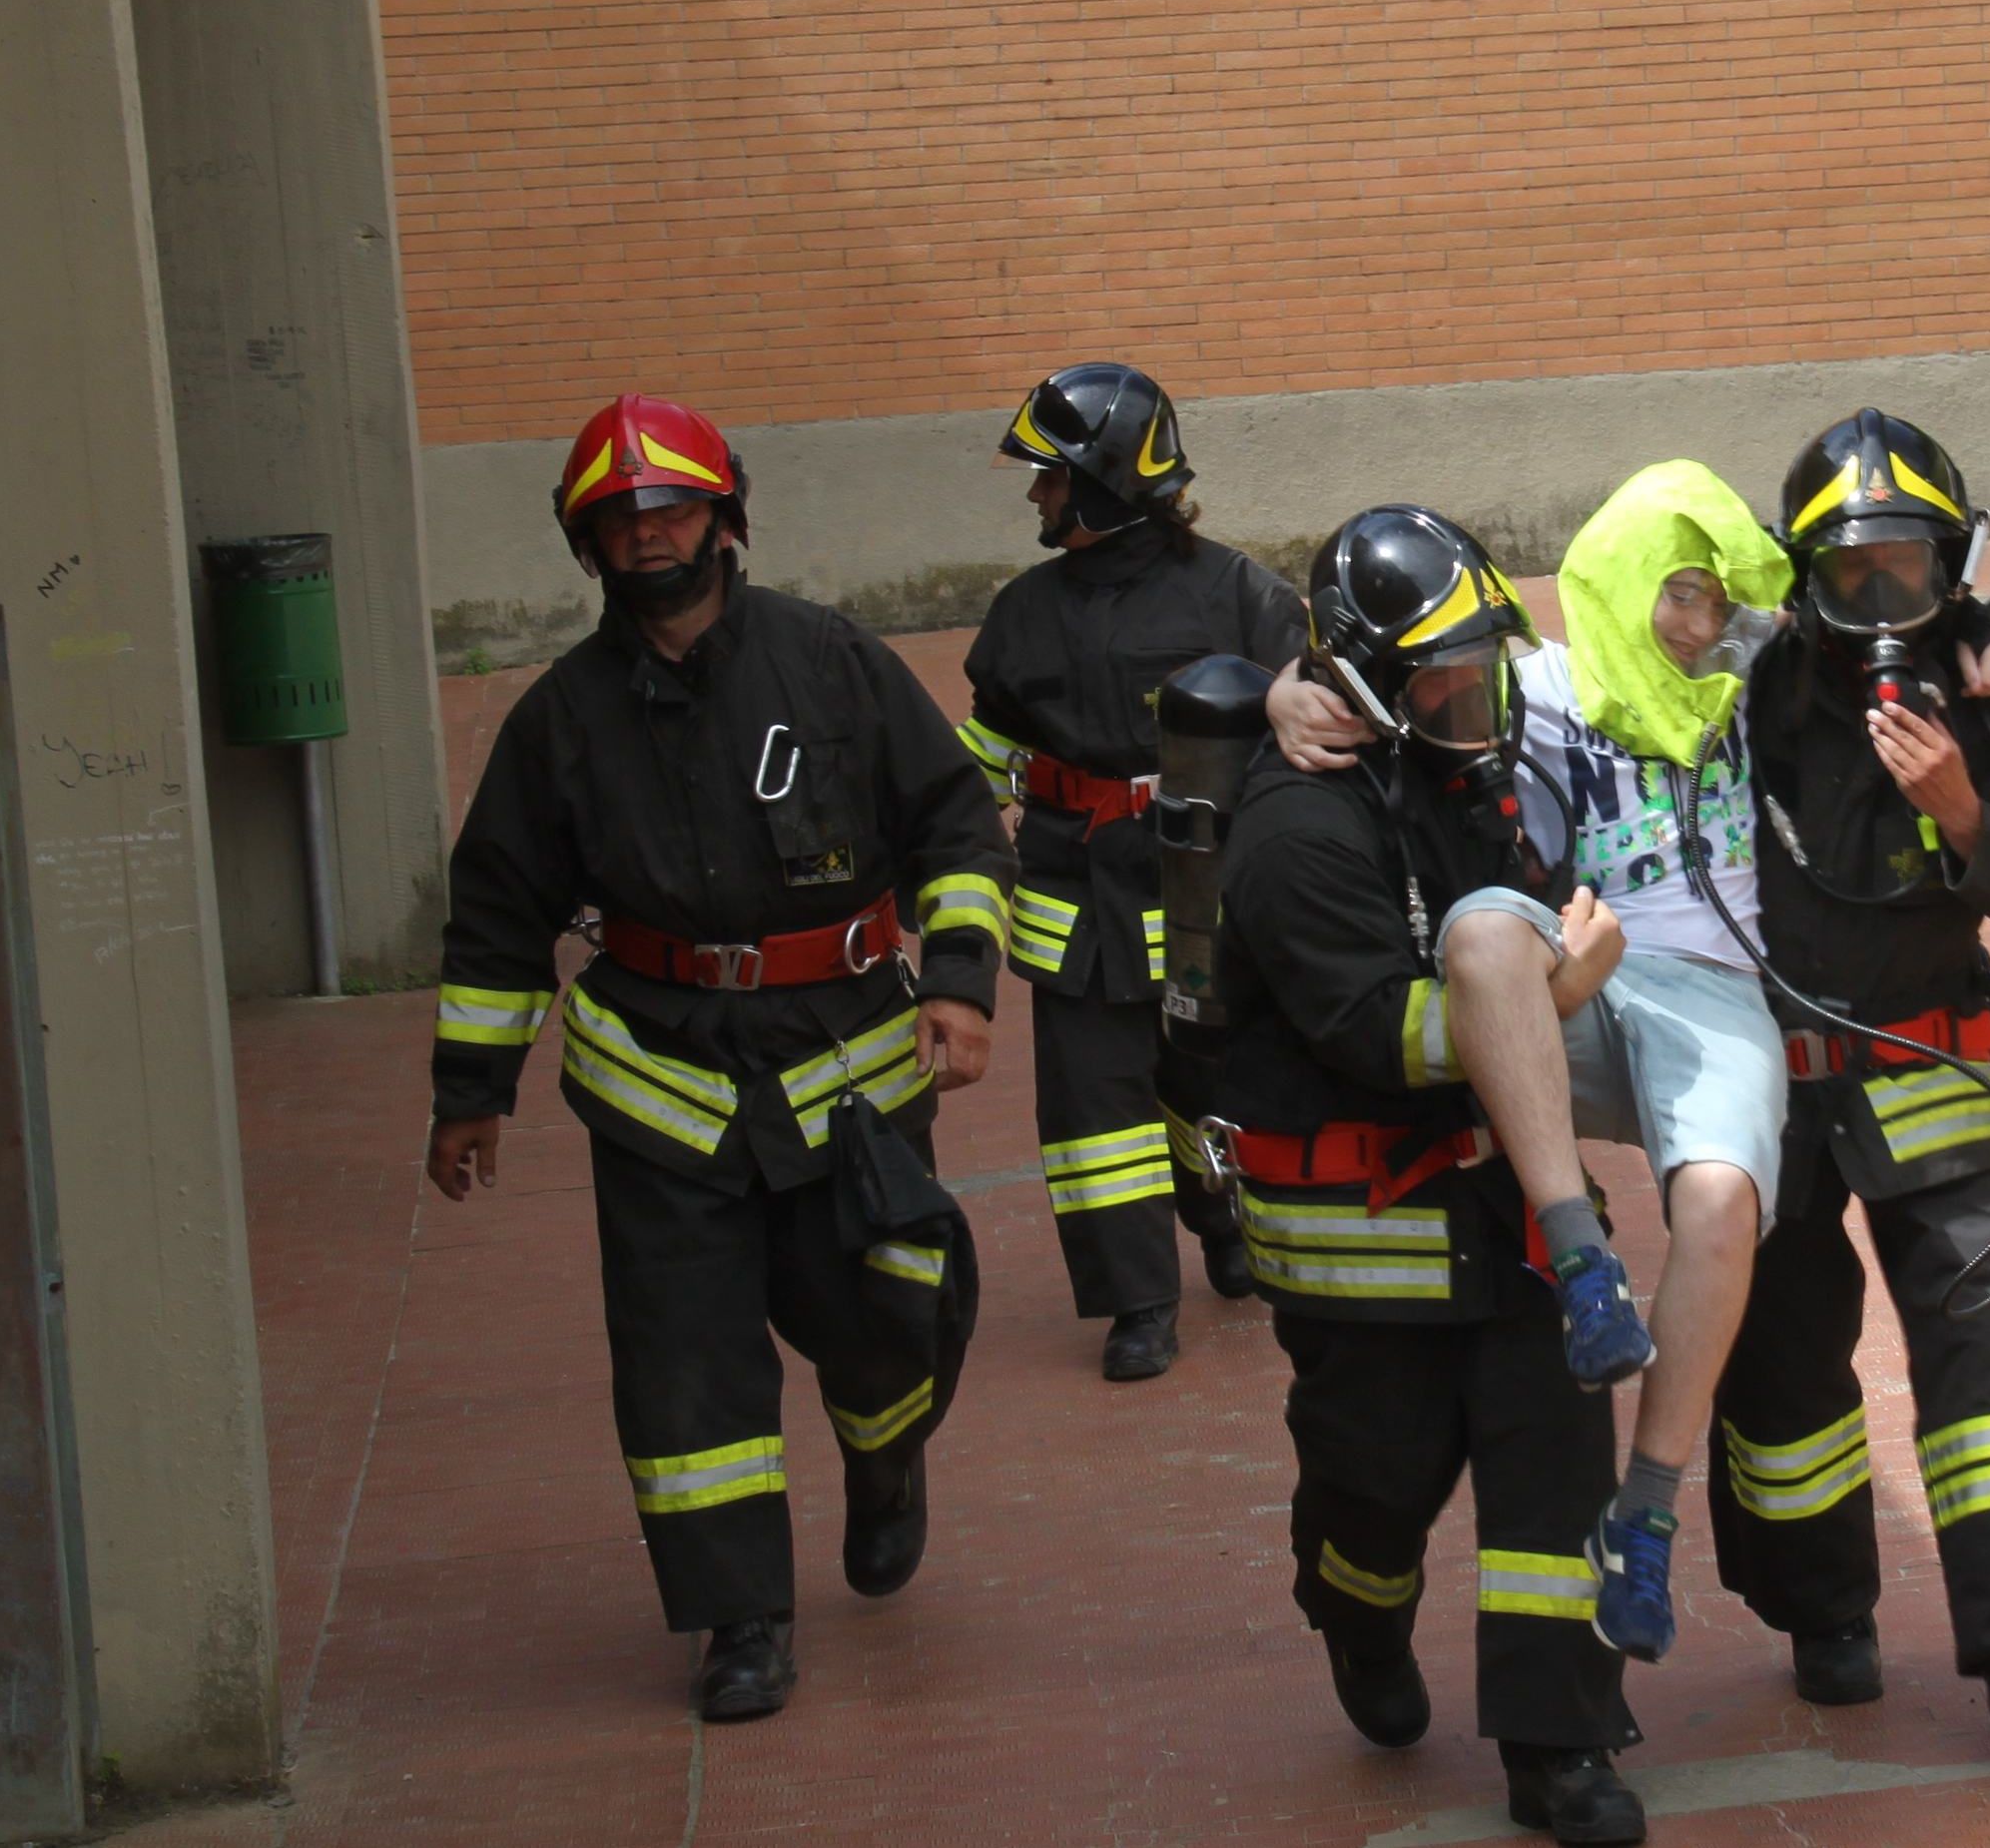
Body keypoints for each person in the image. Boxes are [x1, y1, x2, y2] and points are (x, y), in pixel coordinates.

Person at [1263, 462, 1990, 1665]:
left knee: (1726, 1202)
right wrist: (1288, 687)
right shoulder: (1543, 683)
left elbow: (1883, 600)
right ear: (1622, 580)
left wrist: (1987, 635)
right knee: (1481, 934)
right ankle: (1581, 1261)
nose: (1702, 623)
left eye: (1723, 596)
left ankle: (1649, 1513)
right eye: (1680, 594)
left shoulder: (1762, 674)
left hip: (1715, 995)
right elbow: (1395, 658)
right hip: (1568, 972)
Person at [421, 394, 1009, 1722]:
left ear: (724, 514)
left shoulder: (833, 662)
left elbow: (959, 830)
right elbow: (499, 912)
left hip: (850, 1068)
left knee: (884, 1324)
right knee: (688, 1366)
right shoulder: (559, 720)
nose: (649, 540)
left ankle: (886, 1457)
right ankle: (739, 1619)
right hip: (660, 1088)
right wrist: (472, 1097)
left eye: (671, 510)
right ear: (587, 546)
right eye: (620, 522)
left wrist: (962, 986)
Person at [1199, 505, 1648, 1844]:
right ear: (1374, 682)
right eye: (1442, 671)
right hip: (1364, 1234)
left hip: (1506, 1210)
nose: (1475, 692)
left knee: (1553, 1479)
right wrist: (1568, 986)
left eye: (1481, 661)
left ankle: (1558, 1748)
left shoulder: (1469, 774)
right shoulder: (1293, 836)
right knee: (1374, 1492)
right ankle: (1357, 1610)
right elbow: (1388, 1038)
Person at [1709, 408, 1990, 1754]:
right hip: (1767, 1095)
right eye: (1854, 571)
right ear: (1803, 574)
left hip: (1926, 1079)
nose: (1885, 596)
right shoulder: (1742, 690)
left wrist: (1963, 807)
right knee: (1780, 1369)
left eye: (1911, 565)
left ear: (1956, 563)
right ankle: (1821, 1611)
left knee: (1982, 1349)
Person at [958, 363, 1305, 1379]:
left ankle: (1221, 1210)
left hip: (1202, 902)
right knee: (1091, 1116)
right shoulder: (1022, 612)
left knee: (1208, 1086)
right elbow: (979, 756)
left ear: (1106, 478)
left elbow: (1305, 732)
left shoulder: (1239, 594)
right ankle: (1138, 1302)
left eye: (1051, 477)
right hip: (1072, 901)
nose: (1035, 494)